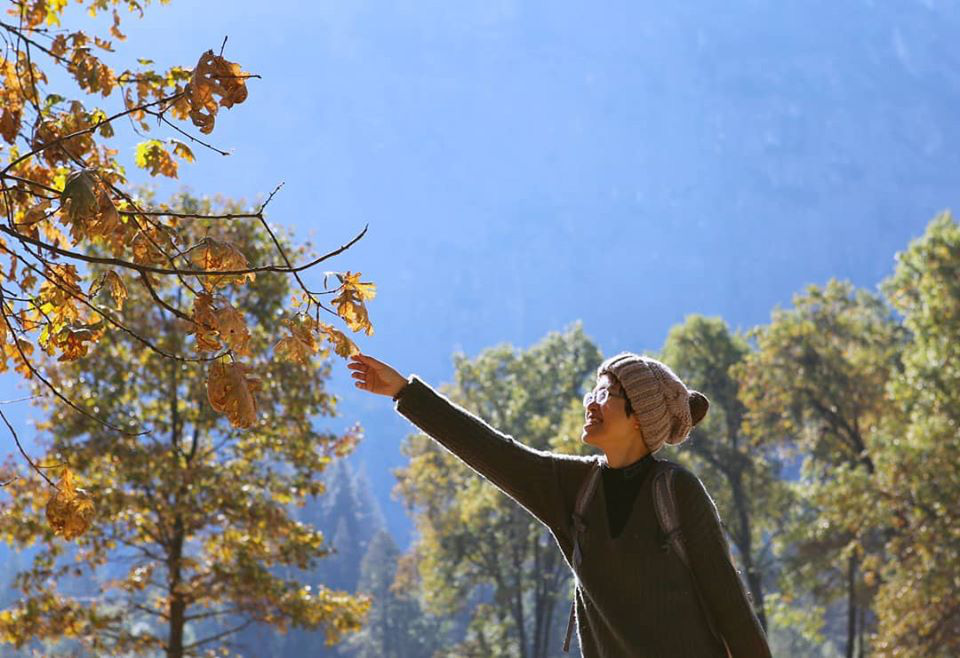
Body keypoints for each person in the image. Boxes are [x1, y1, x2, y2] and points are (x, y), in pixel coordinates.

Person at [348, 351, 771, 658]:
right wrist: (404, 391)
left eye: (604, 393)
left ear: (639, 414)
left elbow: (732, 610)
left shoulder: (677, 494)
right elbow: (494, 453)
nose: (590, 401)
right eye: (593, 390)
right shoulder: (575, 490)